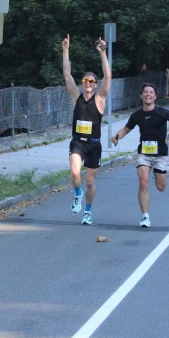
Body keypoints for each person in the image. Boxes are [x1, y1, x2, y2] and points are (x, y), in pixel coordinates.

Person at [111, 83, 169, 228]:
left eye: (151, 92)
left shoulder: (163, 112)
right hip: (144, 153)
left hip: (160, 155)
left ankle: (156, 176)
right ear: (141, 95)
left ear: (155, 96)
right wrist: (117, 137)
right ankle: (145, 216)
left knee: (161, 187)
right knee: (143, 182)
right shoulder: (137, 115)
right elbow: (125, 129)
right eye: (145, 92)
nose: (148, 94)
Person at [62, 34, 110, 225]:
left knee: (90, 181)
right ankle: (77, 194)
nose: (88, 84)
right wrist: (65, 50)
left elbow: (108, 76)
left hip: (94, 145)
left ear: (95, 85)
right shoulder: (77, 96)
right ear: (82, 84)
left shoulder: (100, 98)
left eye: (91, 81)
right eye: (85, 81)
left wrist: (102, 53)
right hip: (77, 142)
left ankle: (88, 212)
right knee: (75, 173)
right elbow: (67, 74)